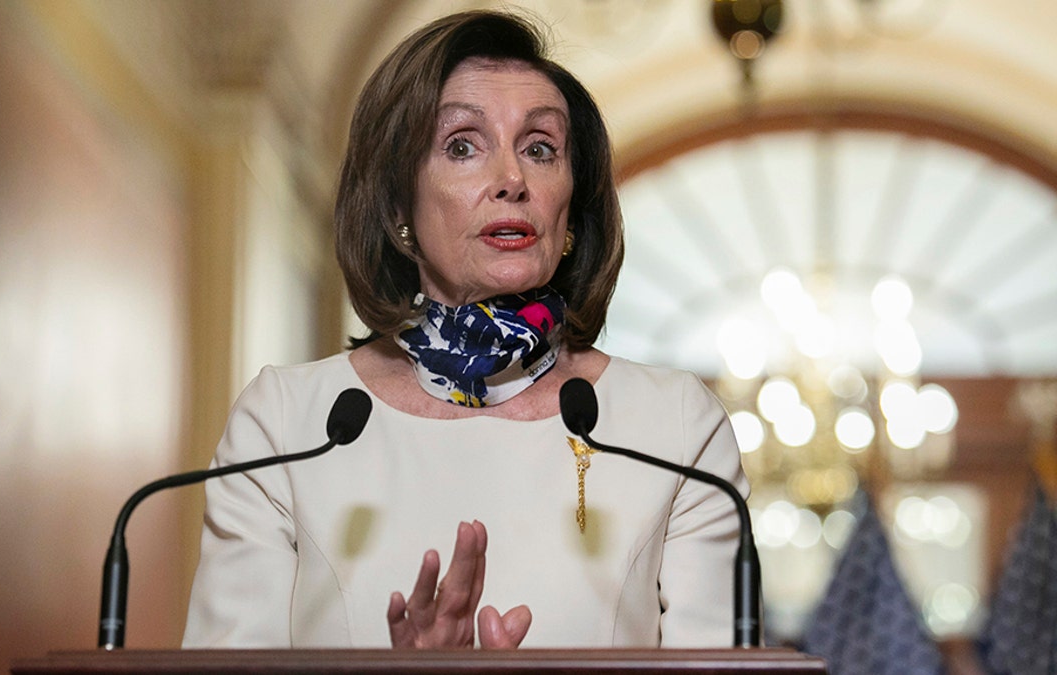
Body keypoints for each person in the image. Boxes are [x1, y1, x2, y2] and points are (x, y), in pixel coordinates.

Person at [182, 10, 747, 650]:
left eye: (541, 148)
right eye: (462, 145)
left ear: (572, 205)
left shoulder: (675, 430)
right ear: (397, 206)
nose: (513, 180)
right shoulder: (287, 424)